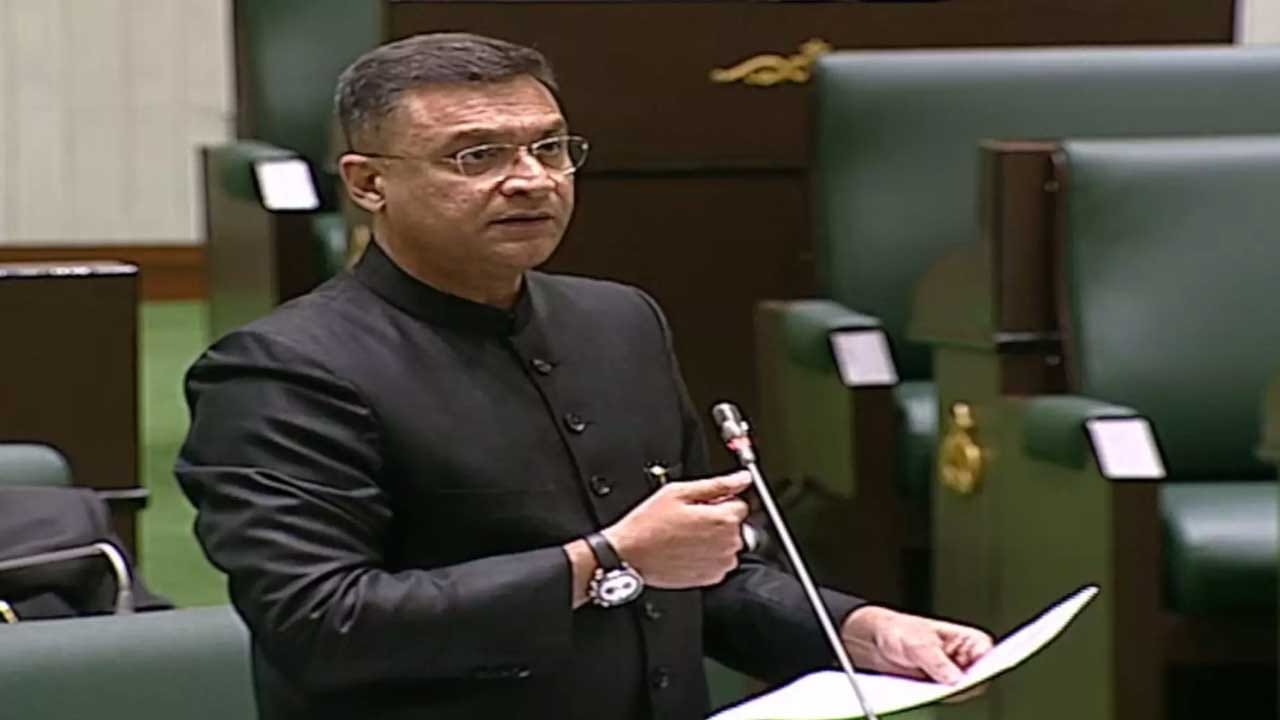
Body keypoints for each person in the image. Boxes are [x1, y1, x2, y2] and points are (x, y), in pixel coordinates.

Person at [176, 32, 993, 720]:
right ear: (368, 183)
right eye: (477, 156)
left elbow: (699, 569)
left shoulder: (619, 322)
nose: (531, 178)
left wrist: (857, 630)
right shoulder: (282, 371)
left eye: (550, 147)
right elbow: (323, 624)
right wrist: (602, 559)